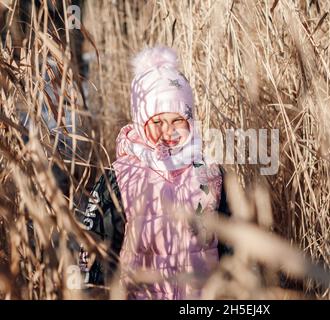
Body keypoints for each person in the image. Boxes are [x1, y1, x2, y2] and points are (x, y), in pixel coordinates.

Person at [76, 46, 232, 300]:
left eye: (177, 121)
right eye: (157, 122)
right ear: (141, 121)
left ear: (189, 122)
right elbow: (96, 247)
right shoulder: (120, 178)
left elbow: (232, 243)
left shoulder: (210, 174)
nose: (167, 131)